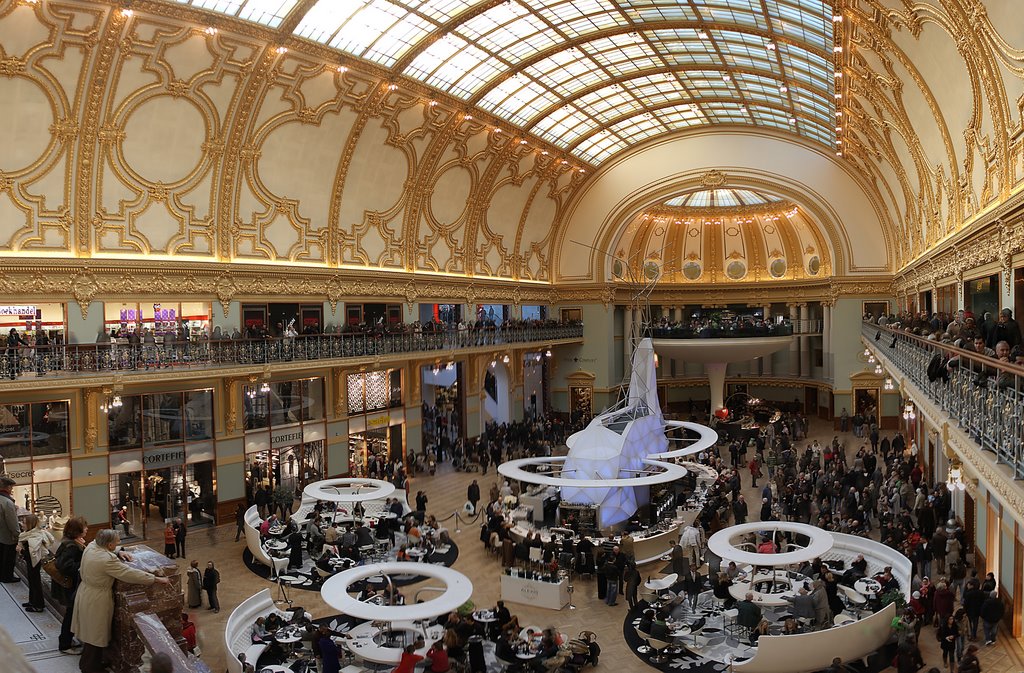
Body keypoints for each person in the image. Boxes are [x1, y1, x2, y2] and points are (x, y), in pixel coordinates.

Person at [72, 529, 172, 673]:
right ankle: (89, 668)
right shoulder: (106, 560)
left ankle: (93, 664)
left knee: (91, 634)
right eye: (116, 543)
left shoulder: (92, 546)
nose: (118, 544)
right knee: (95, 637)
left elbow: (101, 546)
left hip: (86, 593)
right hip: (97, 599)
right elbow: (129, 573)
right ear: (109, 545)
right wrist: (156, 579)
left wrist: (119, 551)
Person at [53, 516, 87, 653]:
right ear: (77, 530)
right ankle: (65, 644)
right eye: (84, 527)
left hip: (68, 586)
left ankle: (67, 639)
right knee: (71, 614)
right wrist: (84, 563)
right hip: (69, 587)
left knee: (71, 614)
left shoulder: (70, 542)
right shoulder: (71, 546)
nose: (87, 529)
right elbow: (65, 566)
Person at [16, 514, 54, 612]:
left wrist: (20, 551)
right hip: (32, 562)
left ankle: (38, 605)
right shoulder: (29, 534)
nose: (22, 524)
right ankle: (32, 601)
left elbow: (31, 554)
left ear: (30, 525)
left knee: (35, 582)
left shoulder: (33, 537)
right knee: (32, 581)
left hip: (34, 562)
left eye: (24, 523)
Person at [0, 476, 20, 582]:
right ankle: (7, 577)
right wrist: (18, 534)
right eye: (11, 488)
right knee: (8, 559)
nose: (12, 490)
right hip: (8, 536)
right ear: (7, 487)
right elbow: (12, 523)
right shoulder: (7, 502)